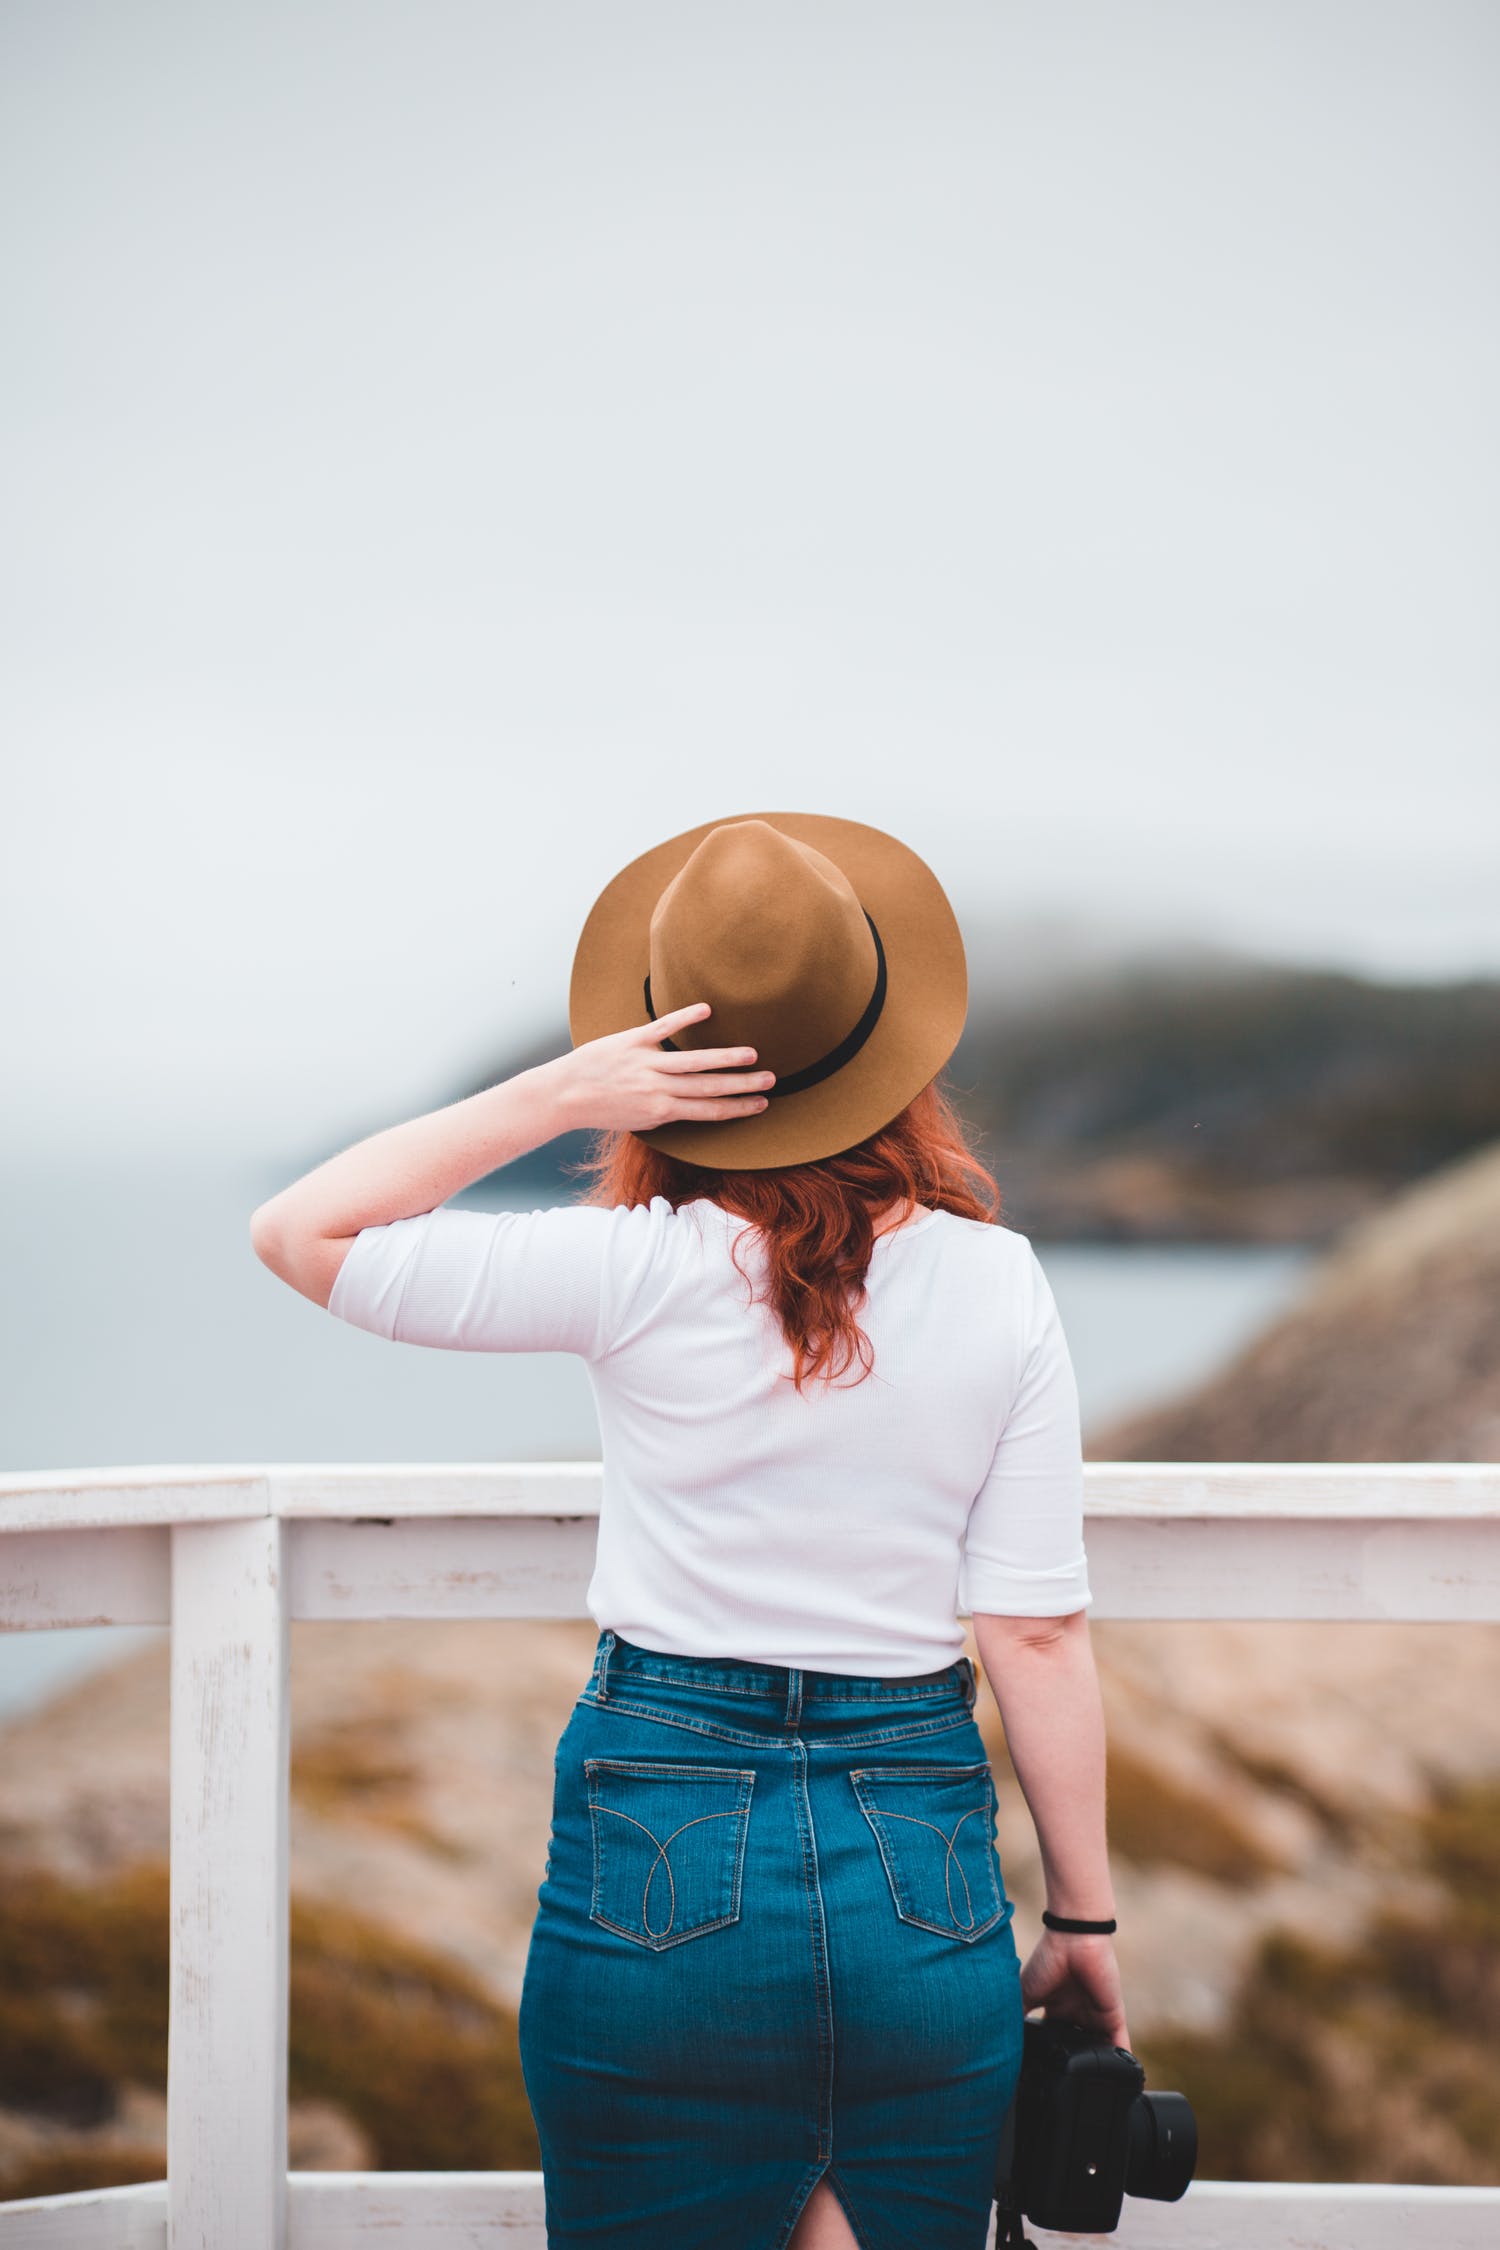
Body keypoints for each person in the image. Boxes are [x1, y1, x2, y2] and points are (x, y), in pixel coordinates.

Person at [250, 811, 1129, 2250]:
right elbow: (1033, 1627)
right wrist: (1083, 1925)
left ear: (667, 1065)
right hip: (918, 1863)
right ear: (887, 1047)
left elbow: (302, 1233)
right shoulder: (1001, 1281)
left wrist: (558, 1091)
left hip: (658, 1832)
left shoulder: (624, 1268)